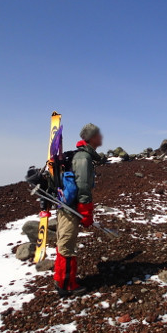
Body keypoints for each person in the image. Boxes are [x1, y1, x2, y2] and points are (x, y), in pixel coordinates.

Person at [54, 123, 102, 296]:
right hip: (71, 208)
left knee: (63, 243)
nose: (102, 137)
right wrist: (86, 210)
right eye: (99, 134)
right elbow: (82, 186)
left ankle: (60, 279)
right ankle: (66, 286)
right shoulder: (83, 158)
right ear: (92, 137)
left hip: (66, 205)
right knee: (67, 245)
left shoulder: (82, 155)